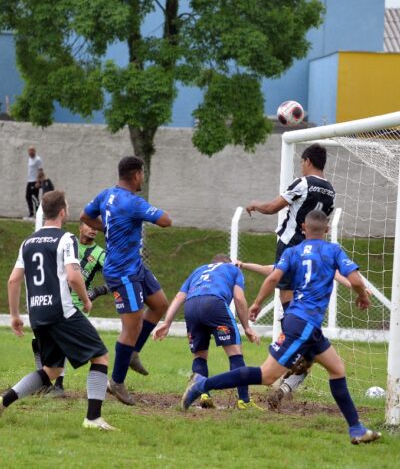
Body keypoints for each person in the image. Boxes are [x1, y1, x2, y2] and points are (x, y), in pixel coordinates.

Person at [181, 210, 380, 445]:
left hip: (303, 324)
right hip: (303, 325)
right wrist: (362, 297)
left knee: (337, 368)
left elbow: (273, 278)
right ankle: (202, 385)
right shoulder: (333, 250)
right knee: (266, 375)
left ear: (304, 228)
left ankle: (356, 429)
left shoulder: (292, 252)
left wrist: (256, 303)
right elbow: (355, 280)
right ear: (326, 230)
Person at [0, 190, 116, 431]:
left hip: (38, 314)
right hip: (62, 311)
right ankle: (93, 419)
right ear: (62, 212)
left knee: (52, 369)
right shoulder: (66, 239)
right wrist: (85, 300)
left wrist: (15, 315)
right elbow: (73, 276)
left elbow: (13, 280)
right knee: (100, 356)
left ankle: (2, 401)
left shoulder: (27, 242)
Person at [245, 143, 335, 404]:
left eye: (301, 162)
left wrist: (255, 205)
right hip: (313, 249)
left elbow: (275, 207)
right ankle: (299, 359)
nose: (300, 166)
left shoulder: (303, 182)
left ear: (307, 161)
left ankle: (295, 352)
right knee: (303, 304)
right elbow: (322, 221)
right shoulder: (331, 190)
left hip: (290, 246)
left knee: (288, 304)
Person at [80, 156, 172, 405]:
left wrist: (108, 228)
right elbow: (166, 221)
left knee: (160, 304)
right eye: (143, 173)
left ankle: (131, 354)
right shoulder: (133, 202)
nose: (144, 177)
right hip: (123, 272)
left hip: (135, 266)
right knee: (131, 327)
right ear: (136, 175)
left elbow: (85, 216)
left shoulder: (105, 195)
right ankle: (116, 382)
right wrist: (141, 215)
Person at [154, 254, 261, 410]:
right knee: (235, 353)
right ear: (228, 263)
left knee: (199, 355)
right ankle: (244, 401)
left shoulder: (199, 270)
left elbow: (179, 296)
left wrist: (166, 323)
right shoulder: (233, 269)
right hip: (214, 303)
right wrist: (247, 327)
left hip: (191, 306)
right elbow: (239, 298)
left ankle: (204, 394)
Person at [29, 221, 108, 398]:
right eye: (89, 225)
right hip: (54, 300)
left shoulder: (100, 254)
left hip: (77, 305)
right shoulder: (66, 242)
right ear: (80, 227)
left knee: (61, 343)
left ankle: (58, 386)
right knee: (38, 343)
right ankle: (44, 383)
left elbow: (115, 277)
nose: (93, 229)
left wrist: (96, 291)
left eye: (96, 226)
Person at [24, 146, 45, 220]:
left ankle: (38, 215)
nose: (30, 152)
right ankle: (31, 214)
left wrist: (38, 181)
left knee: (35, 198)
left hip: (35, 182)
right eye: (29, 150)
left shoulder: (38, 159)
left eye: (32, 150)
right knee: (28, 197)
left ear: (35, 151)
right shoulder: (29, 159)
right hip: (29, 181)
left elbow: (41, 171)